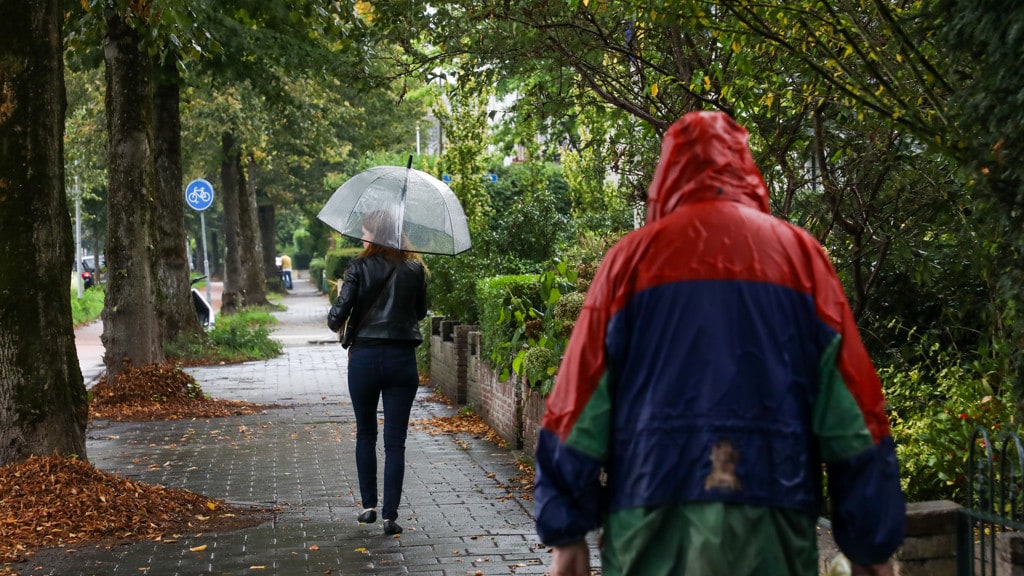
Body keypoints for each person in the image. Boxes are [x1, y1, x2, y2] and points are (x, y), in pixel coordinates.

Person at [533, 111, 905, 576]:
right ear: (746, 169)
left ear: (665, 176)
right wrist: (871, 544)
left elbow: (578, 403)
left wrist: (567, 533)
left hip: (650, 523)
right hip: (773, 520)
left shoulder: (628, 262)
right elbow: (854, 413)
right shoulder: (801, 259)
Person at [327, 209, 428, 536]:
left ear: (378, 233)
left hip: (365, 360)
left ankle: (368, 505)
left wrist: (343, 290)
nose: (361, 234)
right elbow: (421, 312)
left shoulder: (357, 268)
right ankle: (389, 516)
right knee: (395, 441)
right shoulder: (415, 269)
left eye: (366, 229)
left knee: (365, 433)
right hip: (402, 361)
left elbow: (335, 319)